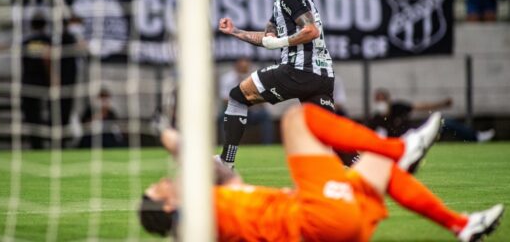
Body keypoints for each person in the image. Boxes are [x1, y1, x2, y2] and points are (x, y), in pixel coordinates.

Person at [139, 104, 504, 241]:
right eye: (159, 189)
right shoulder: (195, 223)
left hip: (339, 225)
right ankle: (401, 148)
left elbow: (216, 171)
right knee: (298, 119)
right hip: (315, 218)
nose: (164, 181)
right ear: (169, 208)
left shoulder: (219, 200)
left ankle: (461, 226)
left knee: (377, 167)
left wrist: (168, 137)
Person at [218, 0, 335, 168]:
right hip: (322, 76)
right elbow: (268, 39)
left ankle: (226, 162)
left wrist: (281, 42)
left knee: (237, 96)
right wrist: (235, 31)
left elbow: (311, 30)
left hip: (298, 71)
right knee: (333, 137)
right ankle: (371, 176)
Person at [369, 88, 496, 142]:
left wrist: (442, 104)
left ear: (388, 99)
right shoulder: (376, 119)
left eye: (383, 99)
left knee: (443, 121)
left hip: (417, 132)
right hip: (404, 143)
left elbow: (421, 106)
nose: (381, 103)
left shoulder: (398, 107)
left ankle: (476, 137)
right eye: (378, 100)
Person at [218, 58, 275, 145]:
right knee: (223, 117)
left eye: (246, 64)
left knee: (265, 116)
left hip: (252, 111)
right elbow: (224, 98)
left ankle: (267, 145)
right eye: (241, 64)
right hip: (234, 111)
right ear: (236, 65)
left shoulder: (255, 77)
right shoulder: (227, 78)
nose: (244, 66)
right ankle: (227, 145)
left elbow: (262, 96)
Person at [21, 14, 51, 149]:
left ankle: (36, 143)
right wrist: (53, 77)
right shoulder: (46, 40)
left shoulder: (27, 41)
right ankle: (44, 143)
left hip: (28, 82)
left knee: (32, 115)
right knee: (42, 114)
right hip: (42, 82)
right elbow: (47, 58)